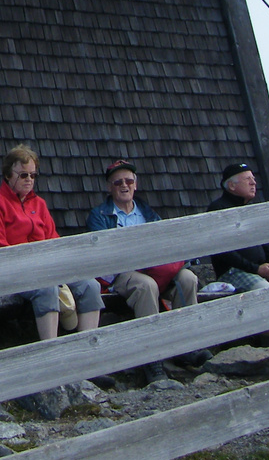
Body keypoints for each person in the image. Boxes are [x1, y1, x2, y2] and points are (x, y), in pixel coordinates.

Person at [86, 159, 210, 377]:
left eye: (129, 181)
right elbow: (104, 255)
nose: (124, 186)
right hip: (123, 272)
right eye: (117, 183)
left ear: (136, 184)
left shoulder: (148, 212)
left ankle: (187, 345)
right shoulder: (99, 215)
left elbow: (165, 241)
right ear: (109, 187)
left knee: (188, 278)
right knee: (146, 285)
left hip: (158, 267)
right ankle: (152, 357)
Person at [0, 144, 103, 340]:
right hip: (15, 271)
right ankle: (50, 350)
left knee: (91, 286)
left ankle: (88, 351)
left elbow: (53, 239)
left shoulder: (39, 204)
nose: (29, 180)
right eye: (23, 175)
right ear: (8, 175)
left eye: (33, 175)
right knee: (47, 288)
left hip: (49, 267)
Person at [206, 163, 269, 292]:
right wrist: (256, 269)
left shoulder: (251, 209)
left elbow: (266, 243)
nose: (253, 183)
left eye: (254, 179)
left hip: (260, 270)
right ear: (232, 185)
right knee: (268, 292)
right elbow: (223, 250)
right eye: (248, 179)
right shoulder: (218, 209)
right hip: (235, 272)